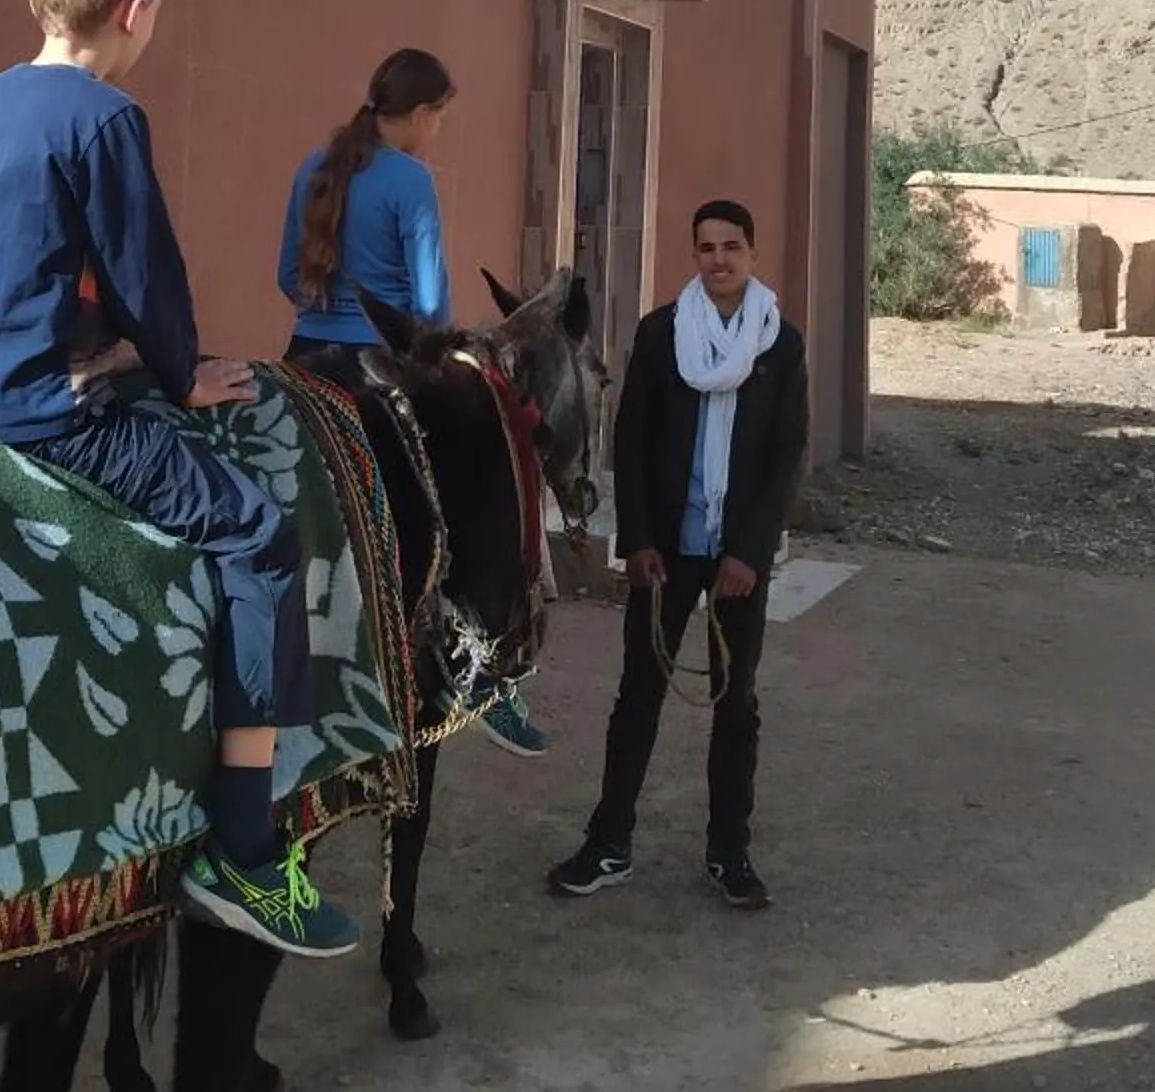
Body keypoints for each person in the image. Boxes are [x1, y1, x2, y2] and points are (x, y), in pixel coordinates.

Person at [0, 0, 360, 959]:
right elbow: (147, 275)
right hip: (39, 412)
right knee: (258, 537)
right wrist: (181, 374)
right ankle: (245, 847)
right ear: (136, 11)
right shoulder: (104, 119)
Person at [277, 51, 550, 759]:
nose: (437, 132)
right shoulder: (412, 181)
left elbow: (287, 277)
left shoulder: (315, 166)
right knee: (483, 500)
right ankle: (485, 675)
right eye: (439, 118)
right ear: (425, 113)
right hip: (381, 378)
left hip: (302, 366)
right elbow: (430, 307)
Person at [546, 199, 808, 910]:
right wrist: (637, 540)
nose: (719, 260)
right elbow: (631, 442)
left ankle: (730, 852)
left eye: (731, 247)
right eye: (706, 248)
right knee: (639, 695)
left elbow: (786, 456)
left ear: (752, 253)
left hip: (737, 560)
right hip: (668, 550)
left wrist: (750, 552)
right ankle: (608, 844)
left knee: (735, 703)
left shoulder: (779, 344)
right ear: (694, 256)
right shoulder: (662, 334)